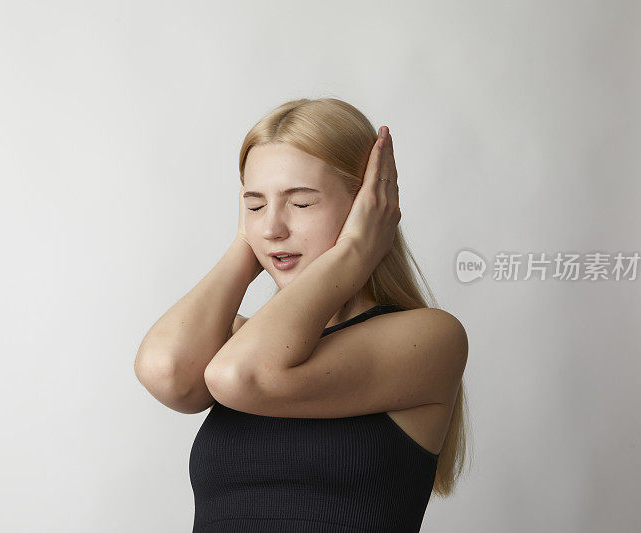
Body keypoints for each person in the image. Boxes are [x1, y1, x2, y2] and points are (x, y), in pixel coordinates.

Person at [135, 98, 471, 532]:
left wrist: (356, 251)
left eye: (301, 203)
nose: (273, 227)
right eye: (255, 205)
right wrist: (246, 243)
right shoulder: (240, 345)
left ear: (367, 207)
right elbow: (166, 372)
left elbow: (241, 376)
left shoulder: (429, 338)